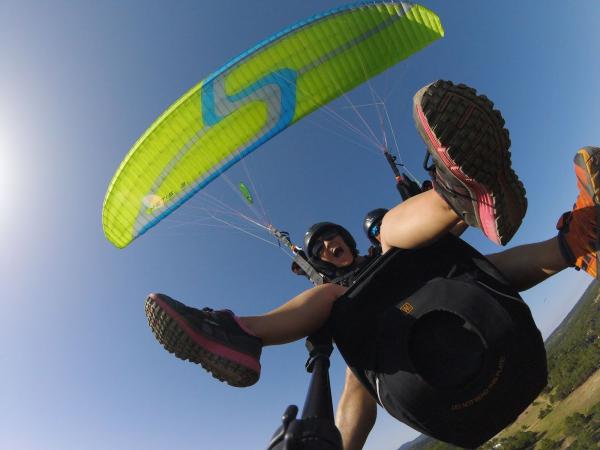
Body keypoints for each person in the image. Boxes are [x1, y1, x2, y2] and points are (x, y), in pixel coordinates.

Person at [143, 80, 600, 447]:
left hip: (474, 318)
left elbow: (450, 251)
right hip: (406, 366)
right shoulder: (331, 297)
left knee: (422, 248)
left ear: (346, 240)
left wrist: (433, 221)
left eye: (331, 239)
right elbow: (354, 383)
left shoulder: (386, 245)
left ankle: (563, 237)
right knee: (345, 331)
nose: (327, 247)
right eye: (318, 248)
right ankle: (238, 335)